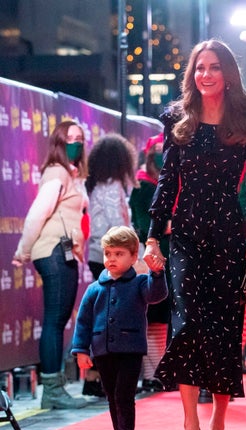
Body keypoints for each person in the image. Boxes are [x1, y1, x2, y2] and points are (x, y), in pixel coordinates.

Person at [143, 38, 246, 430]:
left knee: (223, 332)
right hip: (187, 238)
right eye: (199, 68)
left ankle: (217, 426)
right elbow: (166, 183)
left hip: (230, 238)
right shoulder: (178, 119)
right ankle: (190, 425)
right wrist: (153, 236)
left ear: (227, 73)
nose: (205, 75)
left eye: (214, 67)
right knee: (186, 325)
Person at [70, 226, 168, 430]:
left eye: (119, 254)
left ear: (134, 257)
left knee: (124, 393)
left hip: (131, 350)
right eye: (108, 253)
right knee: (111, 395)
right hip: (102, 351)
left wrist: (157, 274)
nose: (112, 259)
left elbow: (157, 295)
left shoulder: (140, 283)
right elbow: (83, 321)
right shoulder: (94, 289)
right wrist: (81, 350)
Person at [12, 120, 89, 410]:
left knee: (57, 320)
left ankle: (54, 388)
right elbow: (37, 213)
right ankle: (53, 389)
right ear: (58, 142)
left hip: (61, 250)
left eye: (80, 138)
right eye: (69, 138)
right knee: (55, 320)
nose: (76, 142)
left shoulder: (70, 173)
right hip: (53, 250)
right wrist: (23, 250)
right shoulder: (57, 172)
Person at [83, 133, 137, 397]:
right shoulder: (112, 187)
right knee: (111, 320)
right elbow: (120, 228)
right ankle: (103, 377)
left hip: (99, 255)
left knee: (102, 318)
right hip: (112, 257)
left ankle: (95, 377)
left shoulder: (94, 186)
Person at [129, 133, 171, 392]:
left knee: (162, 317)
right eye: (155, 148)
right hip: (151, 256)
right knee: (153, 316)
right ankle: (151, 373)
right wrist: (170, 226)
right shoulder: (142, 185)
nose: (159, 153)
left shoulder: (166, 182)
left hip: (168, 257)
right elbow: (144, 225)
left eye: (162, 148)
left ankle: (158, 371)